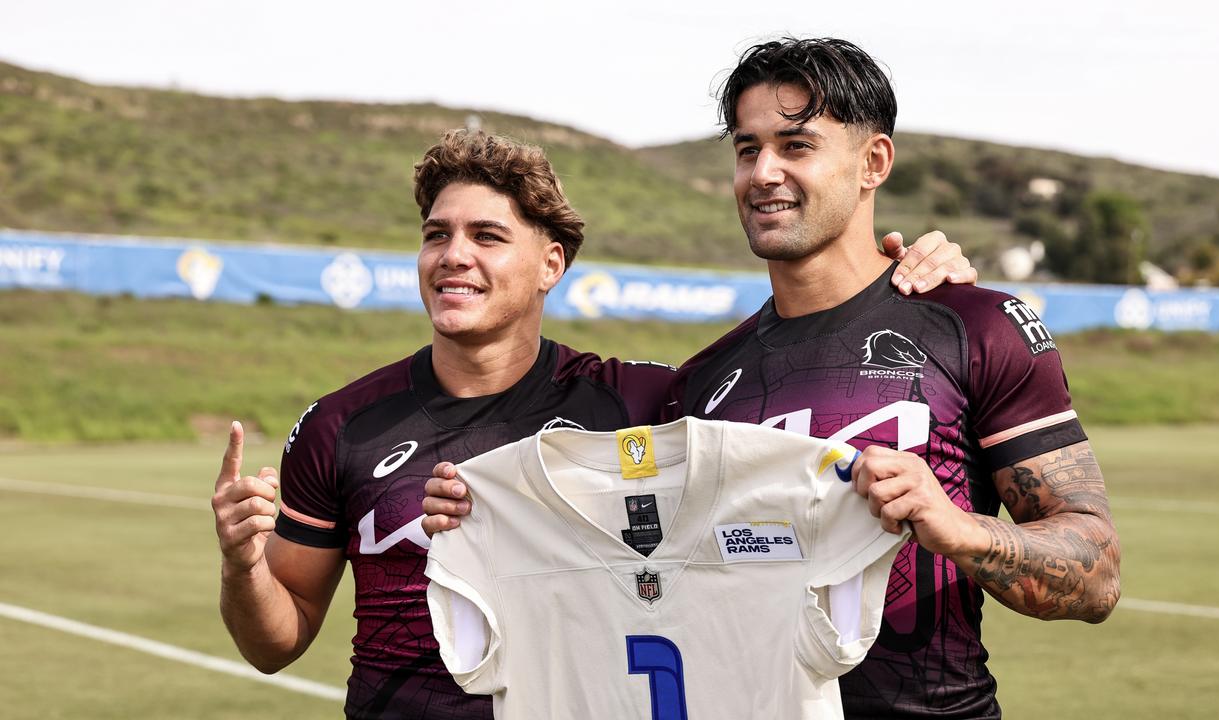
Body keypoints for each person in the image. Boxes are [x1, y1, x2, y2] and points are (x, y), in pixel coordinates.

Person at [425, 38, 1121, 719]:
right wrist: (475, 504)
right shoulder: (699, 387)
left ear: (873, 161)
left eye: (796, 145)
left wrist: (955, 529)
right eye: (747, 148)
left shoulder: (976, 326)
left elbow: (1097, 576)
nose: (763, 172)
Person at [212, 128, 975, 719]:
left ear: (550, 264)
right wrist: (243, 566)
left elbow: (786, 374)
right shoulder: (342, 423)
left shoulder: (643, 404)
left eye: (486, 236)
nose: (453, 257)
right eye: (436, 234)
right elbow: (275, 643)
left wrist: (903, 279)